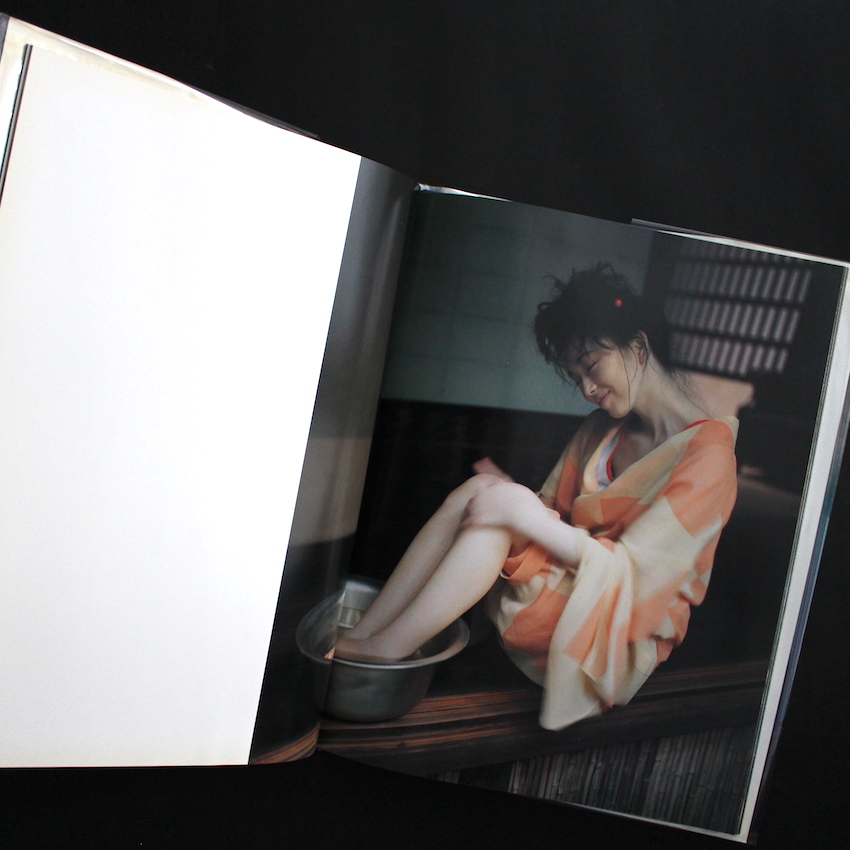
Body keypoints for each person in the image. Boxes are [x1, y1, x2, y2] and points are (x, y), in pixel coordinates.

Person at [335, 263, 738, 730]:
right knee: (484, 491)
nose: (588, 389)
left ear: (638, 347)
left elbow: (638, 579)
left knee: (502, 512)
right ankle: (366, 634)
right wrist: (518, 502)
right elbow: (551, 514)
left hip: (614, 631)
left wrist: (524, 515)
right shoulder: (601, 429)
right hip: (569, 585)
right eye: (576, 376)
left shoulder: (708, 457)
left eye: (592, 367)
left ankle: (384, 651)